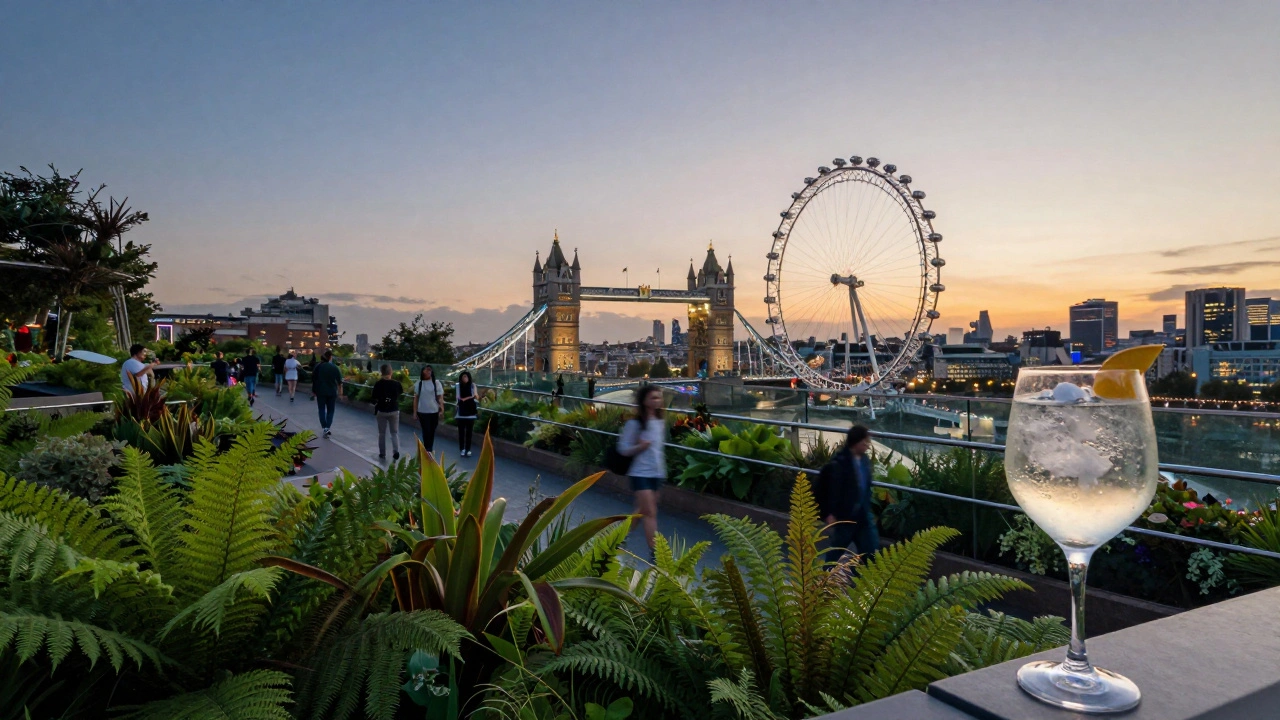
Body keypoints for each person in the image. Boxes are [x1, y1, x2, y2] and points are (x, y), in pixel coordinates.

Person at [813, 425, 880, 565]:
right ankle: (825, 579)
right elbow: (825, 489)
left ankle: (863, 579)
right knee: (836, 552)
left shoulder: (864, 461)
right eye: (864, 443)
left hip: (862, 516)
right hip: (845, 517)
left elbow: (865, 487)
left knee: (871, 552)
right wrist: (828, 513)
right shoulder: (839, 464)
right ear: (856, 443)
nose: (867, 446)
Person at [617, 385, 666, 559]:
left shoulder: (659, 423)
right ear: (644, 400)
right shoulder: (634, 424)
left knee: (642, 510)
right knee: (650, 513)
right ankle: (655, 553)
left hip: (656, 474)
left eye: (659, 397)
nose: (657, 401)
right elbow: (622, 449)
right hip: (640, 474)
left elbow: (658, 451)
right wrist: (640, 447)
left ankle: (619, 536)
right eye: (653, 397)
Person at [371, 364, 402, 461]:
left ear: (381, 372)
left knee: (382, 433)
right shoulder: (396, 384)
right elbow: (400, 393)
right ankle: (396, 451)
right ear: (390, 372)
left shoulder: (378, 384)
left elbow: (373, 397)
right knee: (394, 433)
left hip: (381, 410)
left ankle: (382, 453)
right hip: (393, 410)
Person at [309, 350, 342, 438]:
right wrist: (341, 394)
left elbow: (314, 379)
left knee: (321, 409)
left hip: (320, 391)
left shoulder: (318, 366)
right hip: (332, 392)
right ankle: (327, 427)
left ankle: (324, 427)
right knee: (331, 410)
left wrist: (314, 391)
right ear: (330, 357)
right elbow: (339, 382)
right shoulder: (334, 368)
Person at [412, 366, 444, 454]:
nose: (428, 371)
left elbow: (440, 397)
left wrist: (441, 409)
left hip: (434, 411)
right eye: (426, 370)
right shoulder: (419, 383)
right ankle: (427, 449)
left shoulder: (436, 383)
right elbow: (416, 398)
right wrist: (415, 412)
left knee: (432, 430)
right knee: (426, 430)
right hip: (422, 411)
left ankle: (429, 448)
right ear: (423, 372)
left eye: (430, 370)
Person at [454, 370, 478, 457]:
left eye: (466, 376)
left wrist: (469, 397)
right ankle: (462, 449)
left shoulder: (472, 385)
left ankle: (468, 449)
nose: (465, 378)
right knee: (461, 432)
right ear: (461, 378)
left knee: (469, 432)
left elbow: (476, 395)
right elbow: (458, 397)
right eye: (463, 377)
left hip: (470, 411)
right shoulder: (458, 386)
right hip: (461, 412)